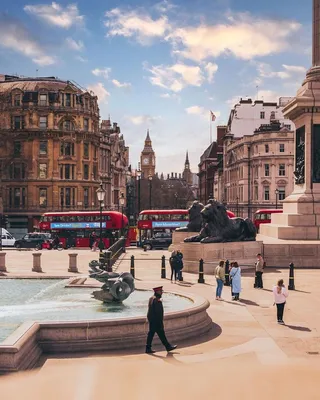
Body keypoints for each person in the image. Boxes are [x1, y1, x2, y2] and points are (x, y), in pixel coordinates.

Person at [146, 286, 177, 354]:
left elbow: (149, 311)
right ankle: (167, 347)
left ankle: (148, 348)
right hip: (156, 321)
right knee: (158, 334)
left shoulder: (151, 298)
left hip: (152, 320)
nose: (162, 292)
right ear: (157, 291)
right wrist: (160, 322)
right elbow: (159, 313)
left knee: (153, 334)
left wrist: (149, 319)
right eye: (160, 291)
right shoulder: (157, 300)